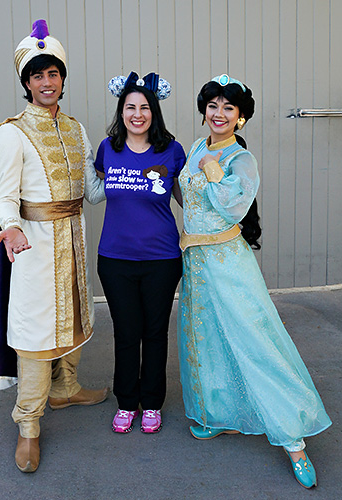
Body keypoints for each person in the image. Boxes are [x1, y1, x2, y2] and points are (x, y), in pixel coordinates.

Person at [177, 74, 331, 488]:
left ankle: (293, 440)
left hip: (227, 262)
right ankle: (221, 414)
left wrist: (212, 171)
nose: (219, 114)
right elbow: (186, 196)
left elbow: (232, 207)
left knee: (255, 342)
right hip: (196, 263)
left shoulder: (240, 159)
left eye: (228, 108)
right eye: (213, 106)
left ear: (241, 117)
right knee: (208, 339)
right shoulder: (196, 147)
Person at [0, 19, 108, 473]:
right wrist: (11, 228)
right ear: (26, 83)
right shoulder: (12, 131)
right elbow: (6, 197)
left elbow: (94, 191)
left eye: (53, 73)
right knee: (36, 336)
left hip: (74, 241)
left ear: (62, 78)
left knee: (77, 317)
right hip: (35, 249)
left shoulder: (77, 130)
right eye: (37, 75)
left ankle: (66, 390)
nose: (46, 82)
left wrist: (134, 170)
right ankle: (28, 427)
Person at [95, 72, 185, 433]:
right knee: (126, 331)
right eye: (130, 107)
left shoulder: (172, 150)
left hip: (161, 259)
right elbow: (96, 187)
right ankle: (126, 401)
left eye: (144, 107)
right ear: (121, 110)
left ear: (154, 112)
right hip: (115, 259)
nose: (137, 114)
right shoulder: (108, 149)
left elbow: (186, 199)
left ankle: (152, 402)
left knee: (155, 331)